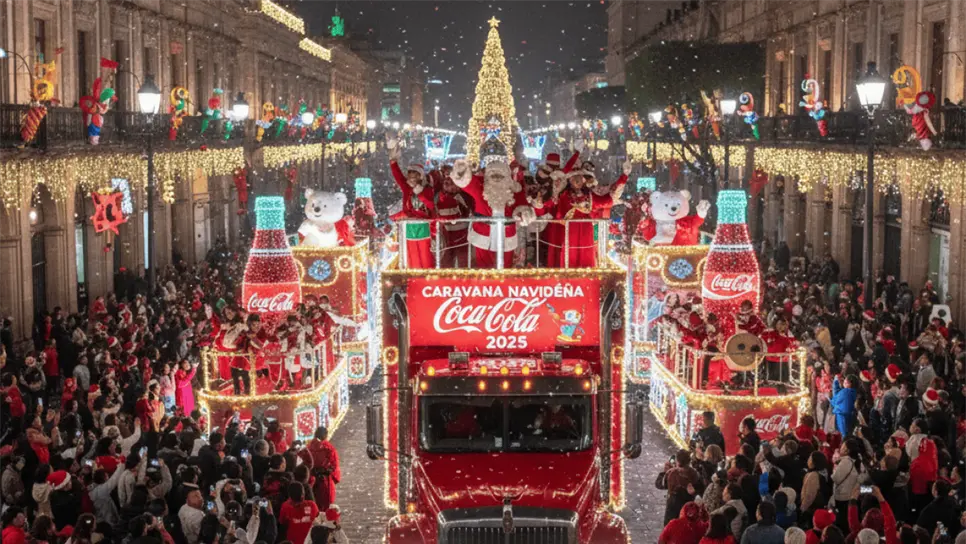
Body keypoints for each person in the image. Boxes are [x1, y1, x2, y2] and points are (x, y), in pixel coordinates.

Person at [298, 426, 341, 511]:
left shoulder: (308, 448)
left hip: (310, 481)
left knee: (313, 505)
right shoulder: (329, 448)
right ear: (325, 436)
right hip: (325, 482)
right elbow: (334, 466)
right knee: (326, 507)